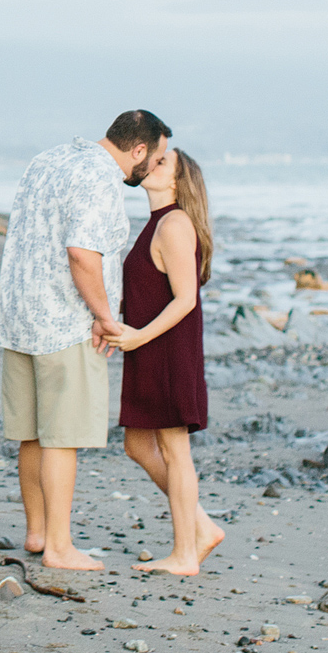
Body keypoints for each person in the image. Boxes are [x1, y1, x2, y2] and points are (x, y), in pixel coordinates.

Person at [0, 109, 170, 567]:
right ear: (138, 149)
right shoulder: (101, 178)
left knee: (31, 435)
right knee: (62, 437)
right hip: (65, 324)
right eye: (157, 158)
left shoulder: (49, 159)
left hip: (19, 316)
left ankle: (36, 534)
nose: (154, 168)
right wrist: (105, 315)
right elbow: (82, 254)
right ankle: (59, 547)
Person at [105, 147, 224, 575]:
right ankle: (202, 526)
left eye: (162, 163)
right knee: (138, 445)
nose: (152, 165)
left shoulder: (174, 223)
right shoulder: (156, 224)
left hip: (167, 348)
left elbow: (186, 299)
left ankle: (184, 554)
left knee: (176, 451)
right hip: (148, 347)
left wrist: (138, 337)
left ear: (177, 181)